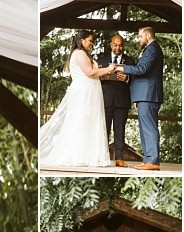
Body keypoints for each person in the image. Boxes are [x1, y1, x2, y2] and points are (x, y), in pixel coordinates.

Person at [39, 29, 116, 167]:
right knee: (82, 120)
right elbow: (90, 72)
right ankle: (79, 155)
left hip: (89, 90)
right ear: (82, 41)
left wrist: (102, 74)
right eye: (90, 41)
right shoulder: (79, 53)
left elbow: (93, 72)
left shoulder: (83, 54)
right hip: (84, 92)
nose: (91, 43)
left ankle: (87, 155)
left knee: (89, 121)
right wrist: (109, 69)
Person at [116, 26, 165, 171]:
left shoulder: (152, 49)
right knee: (145, 129)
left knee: (149, 128)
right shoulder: (149, 49)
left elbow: (142, 69)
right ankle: (148, 159)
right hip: (144, 95)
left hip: (149, 94)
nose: (139, 39)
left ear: (148, 36)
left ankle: (153, 160)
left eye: (140, 37)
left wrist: (121, 67)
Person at [97, 34, 135, 167]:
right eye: (115, 45)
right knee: (103, 130)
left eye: (120, 45)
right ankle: (103, 157)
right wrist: (102, 77)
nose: (118, 47)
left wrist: (126, 79)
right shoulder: (102, 60)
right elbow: (93, 78)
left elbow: (135, 81)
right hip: (106, 100)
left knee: (120, 131)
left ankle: (119, 158)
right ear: (110, 44)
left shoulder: (130, 61)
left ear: (123, 46)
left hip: (122, 101)